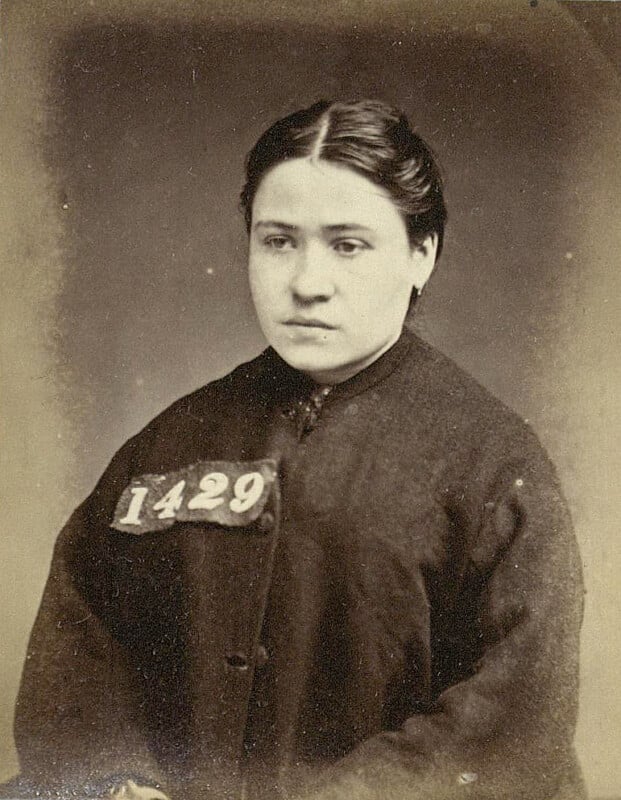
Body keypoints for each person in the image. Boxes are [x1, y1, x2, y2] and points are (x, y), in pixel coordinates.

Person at [4, 99, 585, 800]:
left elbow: (515, 713)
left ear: (420, 253)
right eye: (278, 240)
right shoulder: (168, 442)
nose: (307, 283)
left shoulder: (491, 461)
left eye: (347, 244)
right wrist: (113, 782)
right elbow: (80, 650)